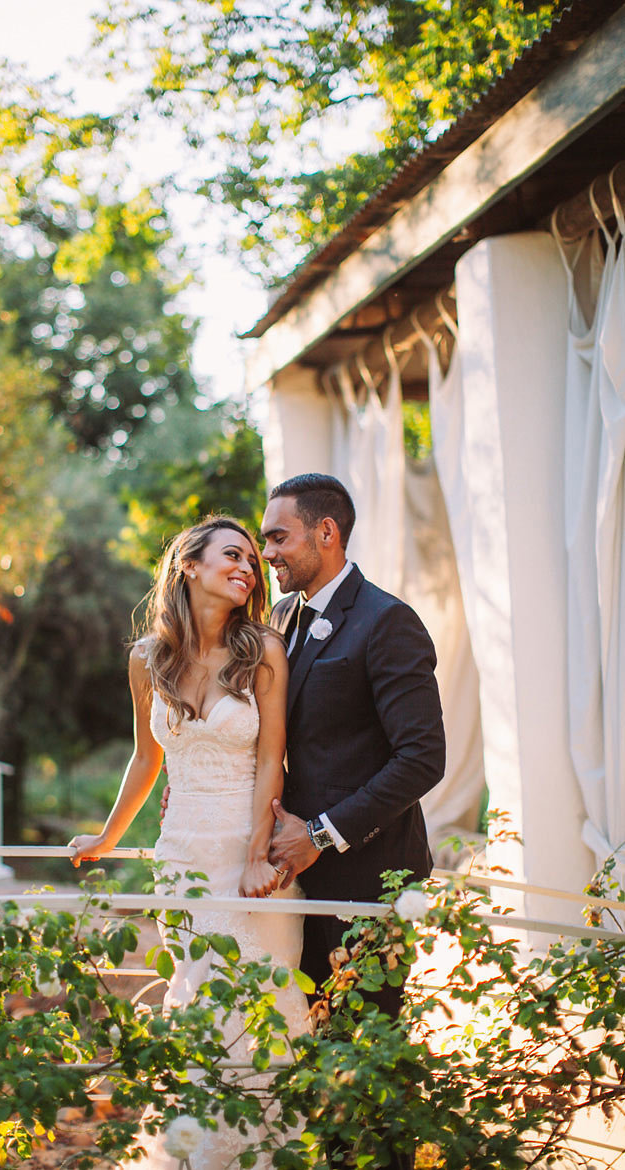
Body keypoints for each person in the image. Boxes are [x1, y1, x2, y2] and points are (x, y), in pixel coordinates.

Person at [69, 516, 308, 1170]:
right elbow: (147, 760)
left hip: (247, 859)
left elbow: (270, 759)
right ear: (190, 565)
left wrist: (260, 852)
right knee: (196, 1005)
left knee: (259, 1007)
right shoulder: (147, 659)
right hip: (181, 859)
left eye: (254, 561)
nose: (248, 568)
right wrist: (108, 836)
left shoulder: (263, 647)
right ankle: (197, 1154)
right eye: (234, 554)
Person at [262, 473, 446, 1170]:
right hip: (296, 888)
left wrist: (318, 833)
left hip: (367, 881)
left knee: (364, 1068)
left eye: (278, 536)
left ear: (325, 533)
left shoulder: (386, 621)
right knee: (316, 1057)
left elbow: (423, 757)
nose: (267, 551)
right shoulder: (283, 621)